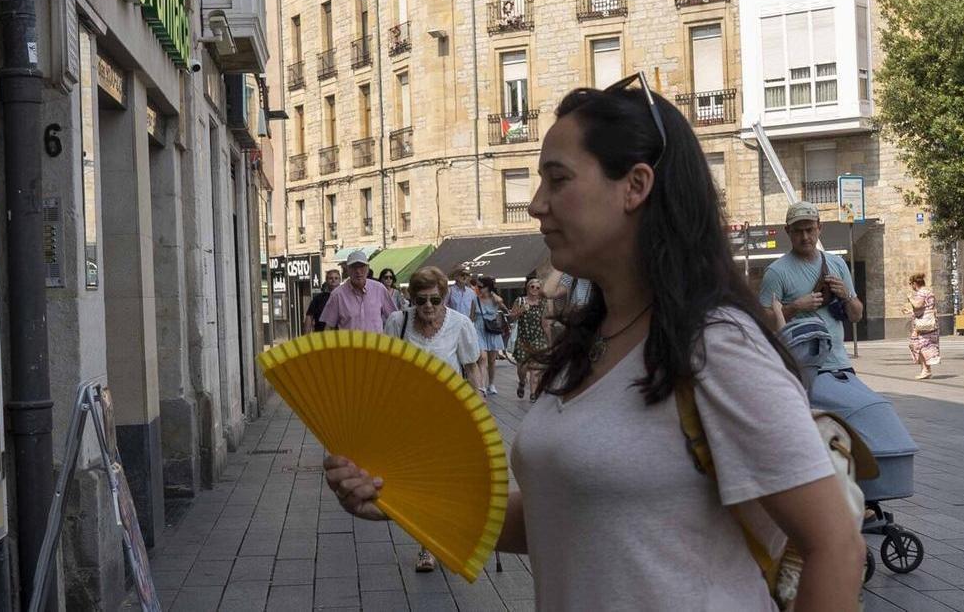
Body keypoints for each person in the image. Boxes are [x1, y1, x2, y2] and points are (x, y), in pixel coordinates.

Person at [325, 80, 864, 609]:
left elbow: (835, 546)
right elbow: (561, 518)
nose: (536, 204)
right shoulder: (592, 339)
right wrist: (404, 497)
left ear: (635, 186)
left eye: (557, 180)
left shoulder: (718, 344)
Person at [382, 265, 481, 573]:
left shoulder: (461, 325)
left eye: (435, 300)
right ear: (411, 298)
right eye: (421, 300)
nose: (428, 307)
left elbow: (472, 367)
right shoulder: (397, 322)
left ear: (445, 297)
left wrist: (478, 405)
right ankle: (428, 545)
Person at [759, 201, 864, 375]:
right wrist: (795, 307)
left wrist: (847, 296)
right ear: (787, 231)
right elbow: (764, 322)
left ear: (819, 228)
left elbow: (856, 316)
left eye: (810, 229)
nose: (805, 236)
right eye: (798, 231)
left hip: (840, 364)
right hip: (802, 369)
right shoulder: (776, 272)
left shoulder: (837, 264)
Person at [319, 251, 397, 332]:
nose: (358, 271)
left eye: (362, 267)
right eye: (354, 267)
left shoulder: (379, 289)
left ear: (367, 268)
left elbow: (394, 319)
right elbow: (329, 327)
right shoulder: (337, 295)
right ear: (348, 270)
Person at [509, 278, 551, 400]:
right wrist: (520, 311)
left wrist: (550, 343)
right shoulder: (520, 301)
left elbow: (545, 324)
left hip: (538, 339)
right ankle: (522, 382)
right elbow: (511, 318)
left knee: (535, 368)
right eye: (532, 287)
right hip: (523, 340)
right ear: (528, 288)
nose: (535, 289)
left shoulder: (543, 303)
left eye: (538, 288)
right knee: (522, 369)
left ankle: (533, 393)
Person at [473, 276, 509, 395]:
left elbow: (503, 306)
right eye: (477, 286)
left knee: (492, 360)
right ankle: (482, 385)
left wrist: (492, 294)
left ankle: (491, 384)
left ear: (488, 287)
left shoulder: (495, 300)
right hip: (479, 329)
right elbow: (471, 316)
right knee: (482, 358)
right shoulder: (475, 299)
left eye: (481, 287)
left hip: (492, 330)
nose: (478, 289)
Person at [905, 273, 940, 380]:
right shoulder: (929, 291)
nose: (911, 286)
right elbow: (926, 308)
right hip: (929, 323)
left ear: (915, 283)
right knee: (923, 345)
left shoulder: (921, 292)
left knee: (917, 345)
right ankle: (926, 370)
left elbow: (918, 305)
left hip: (923, 325)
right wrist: (911, 311)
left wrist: (910, 298)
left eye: (911, 284)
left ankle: (926, 370)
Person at [303, 269, 341, 334]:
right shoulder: (318, 299)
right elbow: (309, 317)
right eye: (330, 278)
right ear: (326, 280)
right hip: (321, 337)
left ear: (340, 280)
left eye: (336, 278)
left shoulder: (345, 297)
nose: (333, 280)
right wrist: (306, 337)